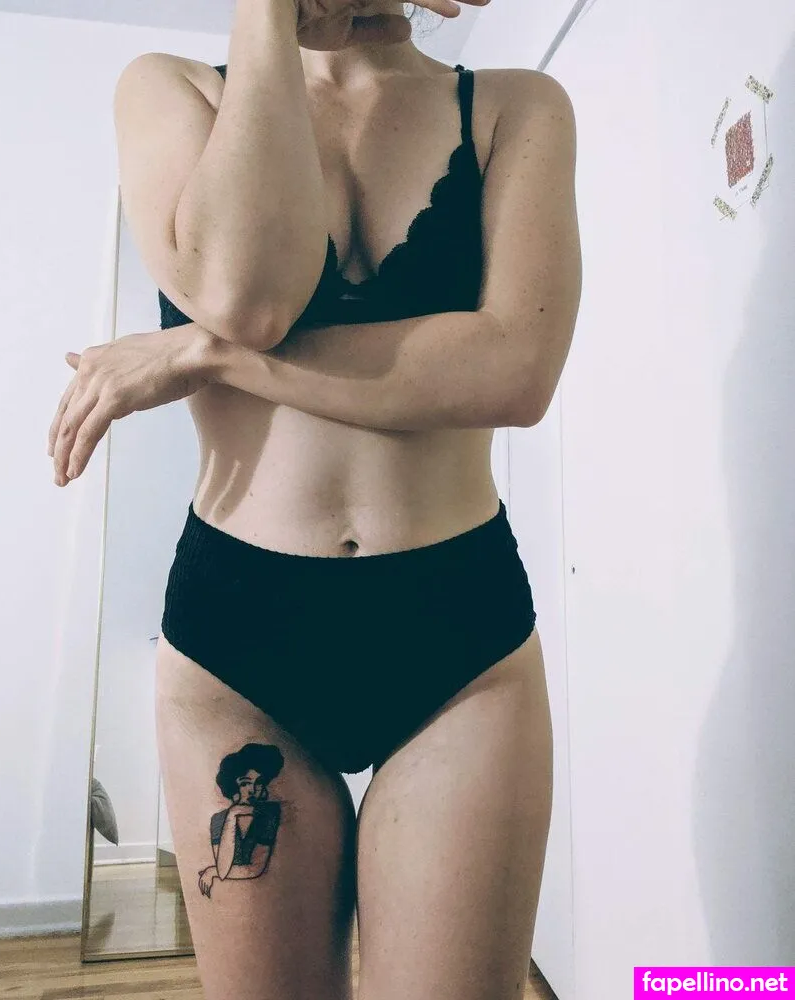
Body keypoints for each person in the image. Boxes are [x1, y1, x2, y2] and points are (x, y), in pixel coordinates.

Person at [48, 0, 582, 995]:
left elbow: (513, 370)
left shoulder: (519, 104)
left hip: (459, 640)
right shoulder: (171, 91)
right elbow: (246, 297)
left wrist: (205, 355)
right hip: (239, 641)